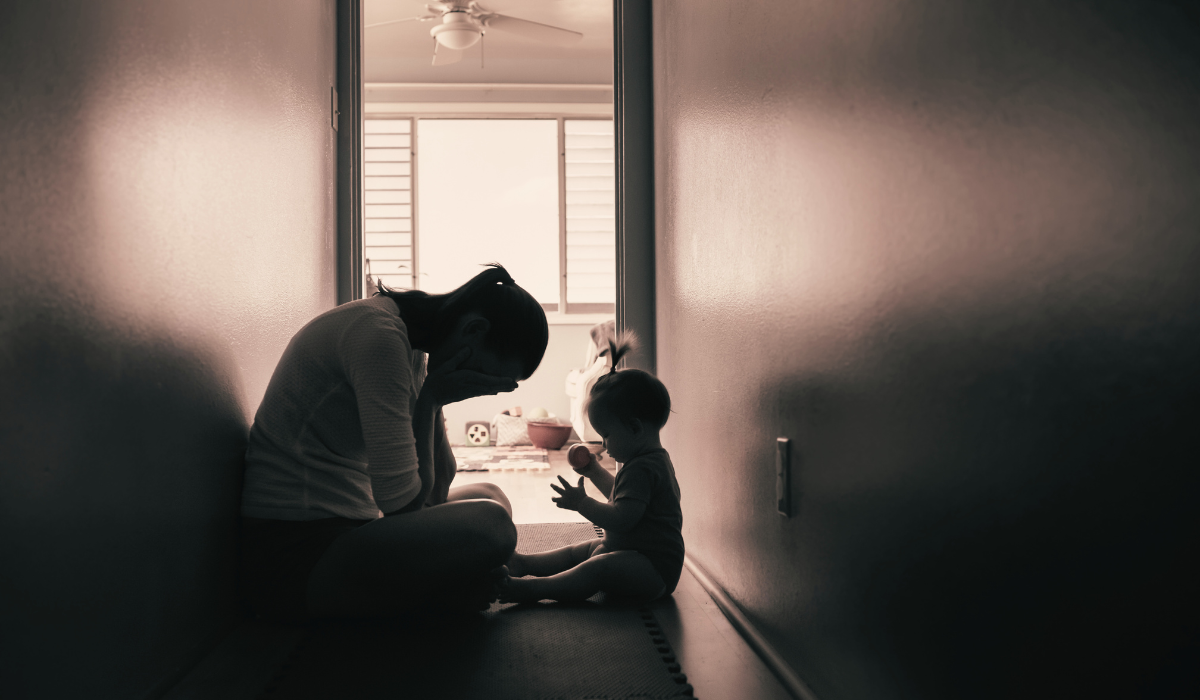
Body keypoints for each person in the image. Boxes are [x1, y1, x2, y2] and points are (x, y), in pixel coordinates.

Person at [239, 264, 548, 621]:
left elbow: (434, 491)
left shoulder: (415, 349)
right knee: (491, 524)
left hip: (355, 523)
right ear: (474, 330)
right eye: (486, 374)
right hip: (295, 557)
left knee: (491, 495)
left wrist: (437, 400)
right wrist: (431, 399)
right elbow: (404, 508)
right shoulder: (379, 338)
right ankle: (445, 593)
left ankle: (452, 588)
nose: (479, 384)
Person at [499, 332, 684, 603]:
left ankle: (534, 590)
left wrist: (582, 504)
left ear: (634, 428)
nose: (603, 443)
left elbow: (621, 519)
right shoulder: (648, 460)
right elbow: (621, 498)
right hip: (633, 555)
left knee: (597, 568)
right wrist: (594, 471)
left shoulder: (643, 468)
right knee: (583, 550)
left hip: (652, 571)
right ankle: (525, 564)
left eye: (606, 434)